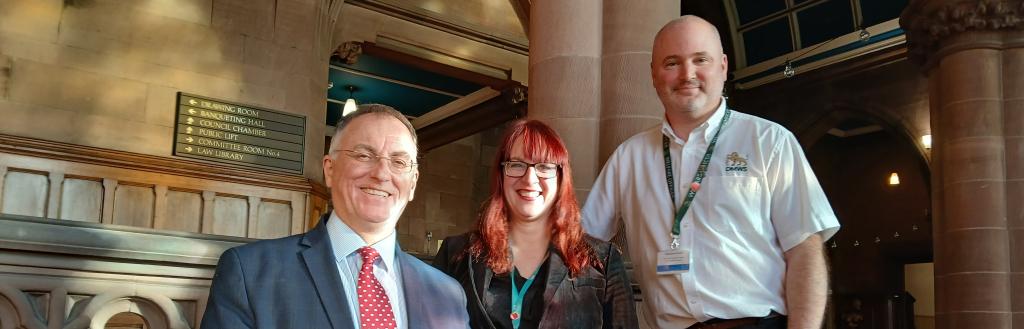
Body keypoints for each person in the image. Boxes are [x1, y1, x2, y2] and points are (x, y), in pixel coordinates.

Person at [582, 16, 840, 329]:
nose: (687, 74)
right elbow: (582, 244)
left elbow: (804, 250)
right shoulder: (628, 157)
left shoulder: (770, 142)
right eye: (672, 63)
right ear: (653, 74)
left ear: (723, 65)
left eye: (700, 59)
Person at [202, 104, 470, 329]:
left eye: (399, 162)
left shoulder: (447, 293)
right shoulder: (250, 272)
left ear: (412, 184)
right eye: (364, 155)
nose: (381, 173)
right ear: (329, 169)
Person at [434, 120, 638, 329]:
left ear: (560, 177)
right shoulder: (457, 254)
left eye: (543, 166)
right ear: (501, 174)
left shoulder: (602, 261)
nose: (529, 179)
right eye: (517, 164)